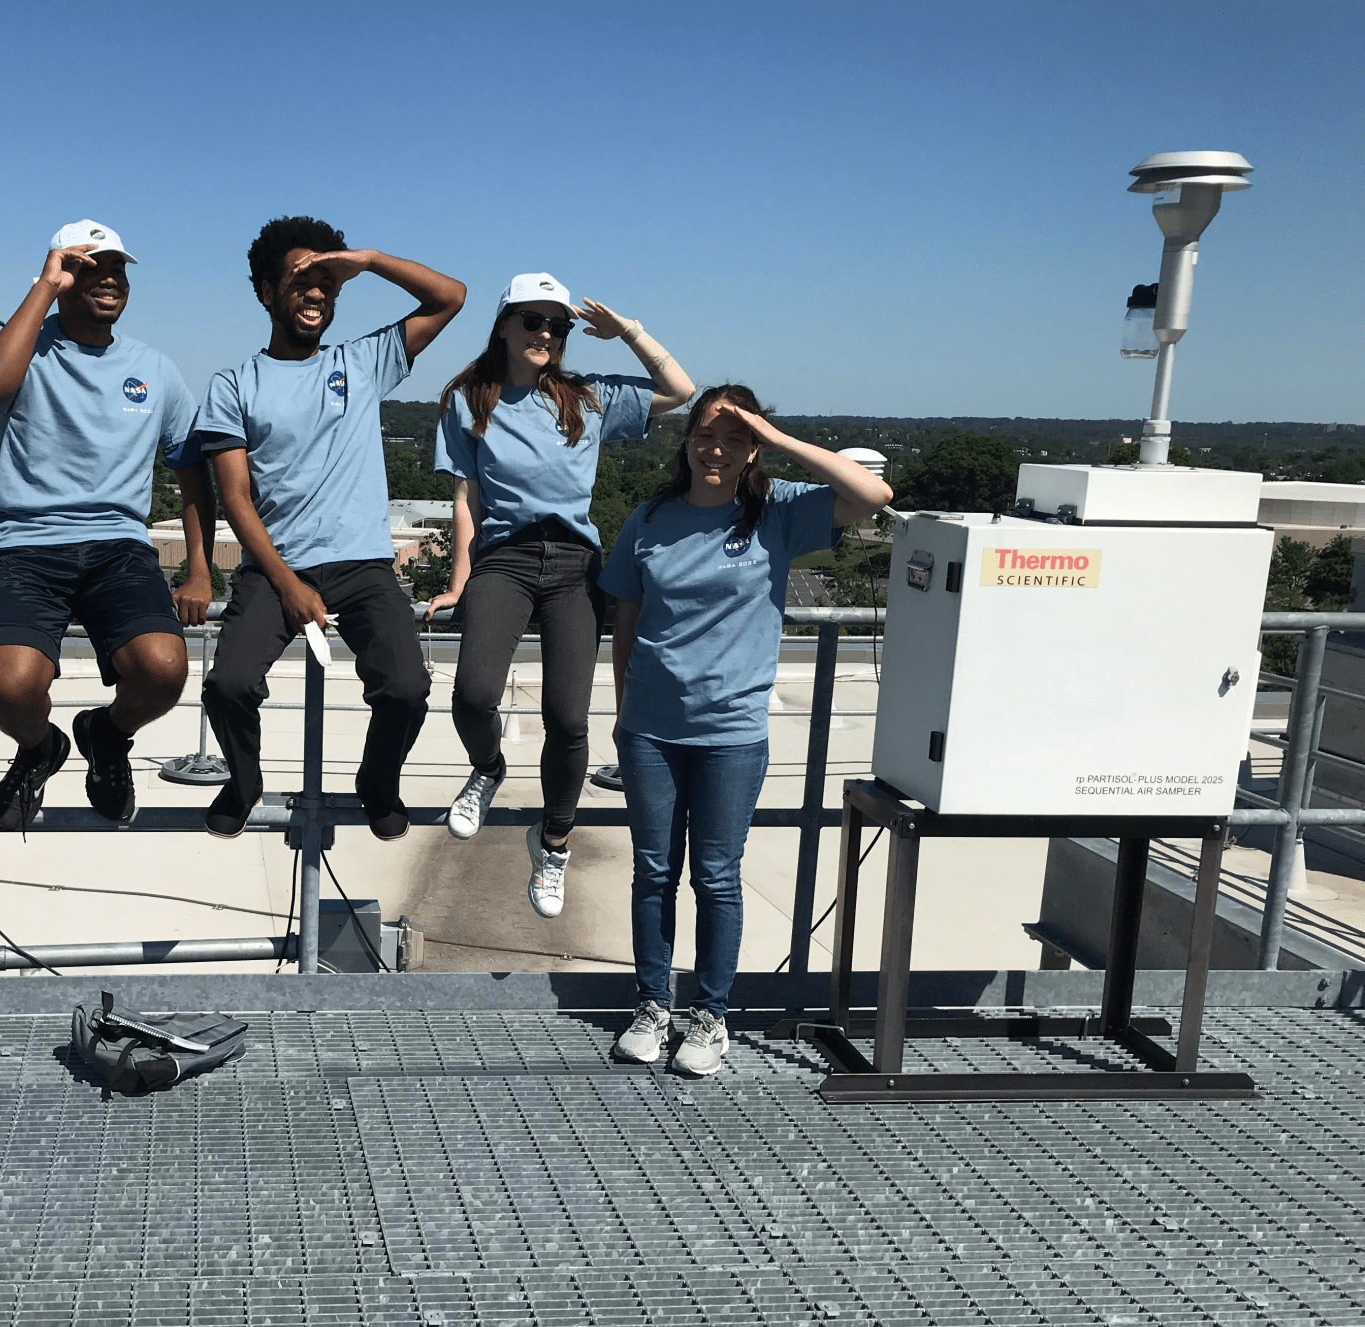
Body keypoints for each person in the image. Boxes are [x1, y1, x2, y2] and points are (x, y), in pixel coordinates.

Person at [601, 384, 891, 1075]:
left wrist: (778, 437)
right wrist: (622, 713)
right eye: (705, 434)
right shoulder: (649, 518)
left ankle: (710, 1016)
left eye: (735, 439)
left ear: (754, 448)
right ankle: (652, 1006)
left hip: (731, 731)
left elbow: (873, 495)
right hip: (650, 730)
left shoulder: (777, 511)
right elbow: (625, 627)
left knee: (716, 876)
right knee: (653, 873)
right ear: (686, 441)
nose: (717, 450)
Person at [428, 274, 693, 918]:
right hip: (506, 559)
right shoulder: (469, 399)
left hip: (576, 566)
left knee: (570, 719)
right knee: (473, 693)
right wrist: (460, 581)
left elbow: (680, 390)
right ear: (503, 326)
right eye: (532, 320)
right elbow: (466, 498)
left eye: (557, 324)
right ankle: (487, 768)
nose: (545, 333)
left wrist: (627, 331)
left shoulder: (587, 397)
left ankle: (553, 841)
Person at [196, 217, 465, 840]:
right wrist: (287, 583)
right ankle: (243, 781)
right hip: (276, 567)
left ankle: (378, 781)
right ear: (267, 292)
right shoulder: (235, 384)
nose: (316, 293)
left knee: (406, 687)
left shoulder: (362, 361)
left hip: (363, 565)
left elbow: (450, 297)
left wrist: (365, 260)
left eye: (326, 282)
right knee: (228, 685)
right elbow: (235, 498)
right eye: (300, 281)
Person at [0, 219, 215, 832]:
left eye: (119, 269)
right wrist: (46, 287)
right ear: (60, 273)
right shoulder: (20, 341)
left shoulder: (155, 368)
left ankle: (106, 734)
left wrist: (200, 570)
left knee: (164, 670)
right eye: (90, 267)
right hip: (25, 542)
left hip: (119, 547)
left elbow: (193, 476)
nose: (109, 279)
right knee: (11, 689)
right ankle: (39, 748)